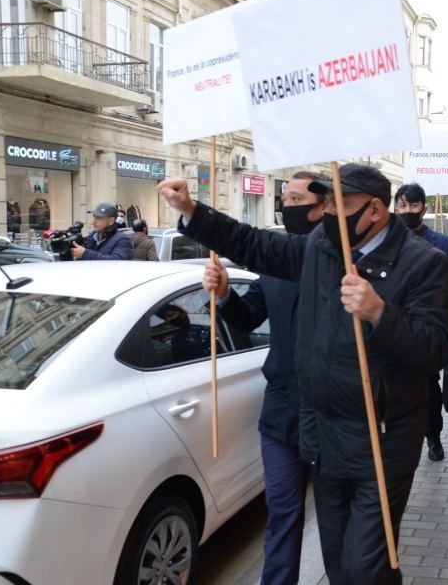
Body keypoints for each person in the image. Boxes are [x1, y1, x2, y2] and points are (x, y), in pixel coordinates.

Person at [158, 163, 448, 585]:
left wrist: (379, 313)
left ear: (374, 211)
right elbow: (254, 244)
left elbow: (435, 351)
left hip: (382, 440)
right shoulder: (320, 246)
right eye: (327, 201)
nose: (329, 211)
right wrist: (191, 210)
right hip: (324, 436)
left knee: (364, 567)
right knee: (337, 563)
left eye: (340, 203)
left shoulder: (425, 263)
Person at [202, 171, 325, 585]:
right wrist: (223, 295)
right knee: (282, 514)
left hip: (333, 413)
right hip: (281, 410)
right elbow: (248, 317)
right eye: (284, 198)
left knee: (338, 523)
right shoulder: (273, 264)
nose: (286, 206)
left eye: (295, 198)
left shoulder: (346, 262)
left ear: (322, 206)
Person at [394, 182, 448, 462]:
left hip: (426, 330)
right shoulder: (384, 240)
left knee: (428, 389)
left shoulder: (443, 244)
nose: (407, 211)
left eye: (412, 205)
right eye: (401, 205)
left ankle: (433, 435)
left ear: (423, 207)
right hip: (392, 328)